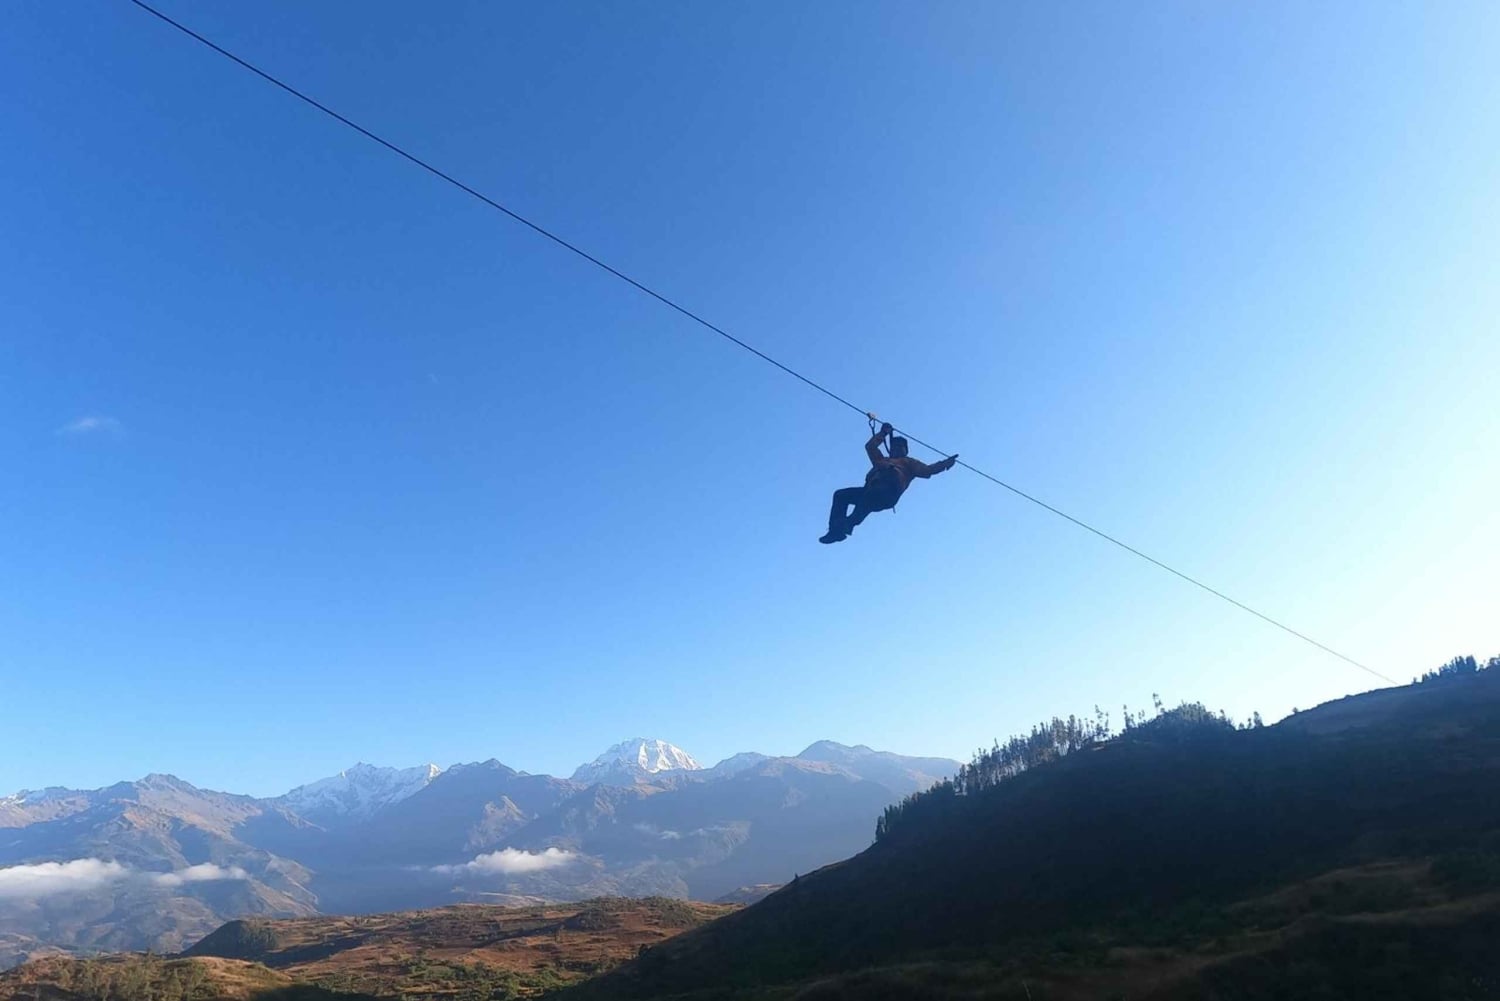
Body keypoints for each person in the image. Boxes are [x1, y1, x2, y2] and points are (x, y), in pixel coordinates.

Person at [820, 423, 957, 544]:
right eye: (895, 447)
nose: (897, 449)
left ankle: (848, 524)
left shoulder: (909, 462)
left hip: (889, 491)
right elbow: (870, 447)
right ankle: (835, 531)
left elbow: (928, 470)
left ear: (906, 450)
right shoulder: (882, 460)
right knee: (841, 495)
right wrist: (883, 433)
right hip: (871, 490)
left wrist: (945, 463)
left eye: (901, 447)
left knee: (874, 492)